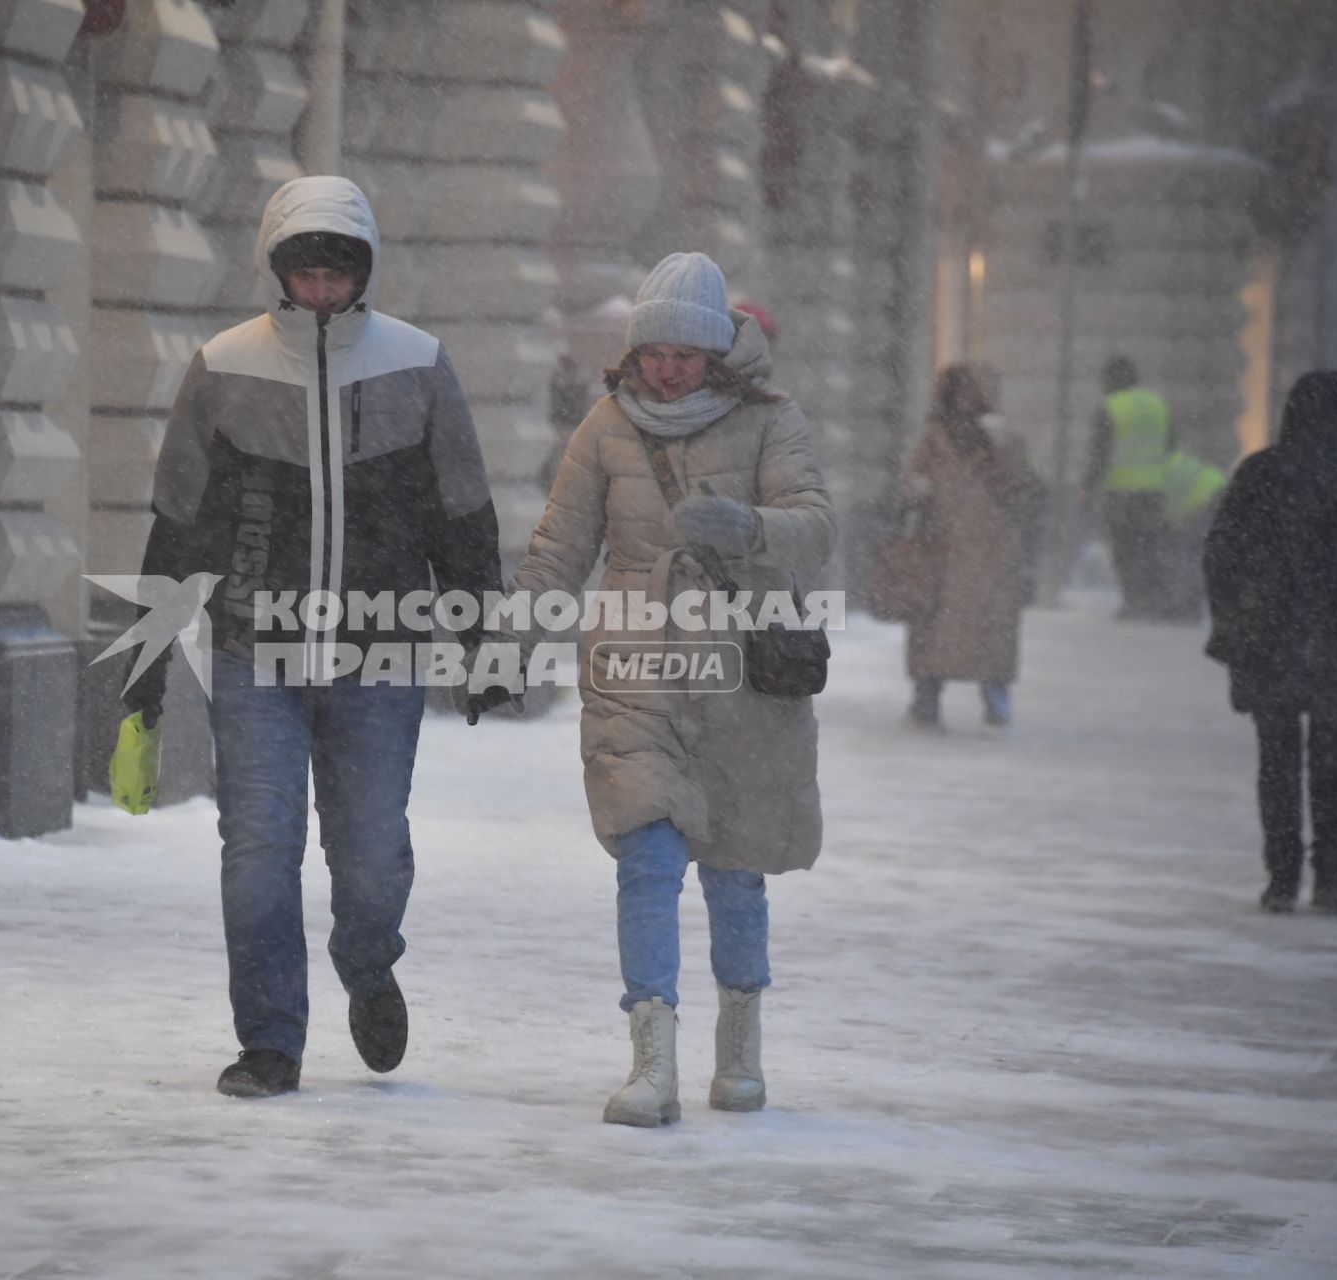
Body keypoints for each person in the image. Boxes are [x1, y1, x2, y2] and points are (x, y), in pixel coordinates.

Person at [121, 176, 500, 1098]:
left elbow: (464, 517)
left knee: (370, 859)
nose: (322, 289)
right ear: (279, 270)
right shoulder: (224, 366)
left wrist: (484, 643)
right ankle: (269, 1042)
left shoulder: (416, 364)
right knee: (258, 845)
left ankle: (367, 966)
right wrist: (145, 661)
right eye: (306, 271)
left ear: (363, 271)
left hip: (383, 652)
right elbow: (177, 520)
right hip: (255, 651)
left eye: (338, 272)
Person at [480, 252, 834, 1126]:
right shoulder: (604, 427)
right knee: (645, 855)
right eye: (654, 352)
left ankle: (740, 1046)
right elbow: (561, 549)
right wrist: (508, 647)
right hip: (633, 664)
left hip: (742, 669)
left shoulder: (772, 422)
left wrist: (750, 526)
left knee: (736, 865)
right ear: (633, 352)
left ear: (716, 352)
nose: (669, 369)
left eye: (686, 352)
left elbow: (817, 527)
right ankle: (651, 1061)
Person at [1204, 371, 1337, 914]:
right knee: (1331, 757)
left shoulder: (1262, 473)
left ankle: (1281, 877)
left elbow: (1221, 553)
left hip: (1267, 635)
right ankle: (1330, 875)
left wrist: (1231, 619)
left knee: (1275, 758)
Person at [899, 363, 1042, 733]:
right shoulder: (935, 437)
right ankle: (926, 704)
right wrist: (917, 487)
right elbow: (910, 483)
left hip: (991, 553)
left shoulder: (1004, 438)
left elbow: (1020, 486)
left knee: (990, 636)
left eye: (970, 391)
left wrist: (1002, 444)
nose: (963, 400)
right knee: (933, 632)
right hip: (940, 549)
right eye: (957, 391)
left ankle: (996, 706)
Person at [1083, 355, 1172, 620]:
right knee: (1150, 546)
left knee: (1125, 549)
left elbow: (1099, 453)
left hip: (1122, 491)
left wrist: (1087, 487)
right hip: (1154, 489)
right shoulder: (1157, 405)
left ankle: (1134, 602)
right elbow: (1171, 443)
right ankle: (1154, 601)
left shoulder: (1111, 407)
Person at [1157, 445, 1227, 623]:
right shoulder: (1172, 460)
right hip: (1217, 491)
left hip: (1206, 501)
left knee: (1191, 554)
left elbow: (1173, 506)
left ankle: (1188, 604)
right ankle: (1191, 601)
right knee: (1198, 552)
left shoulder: (1157, 472)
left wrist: (1174, 526)